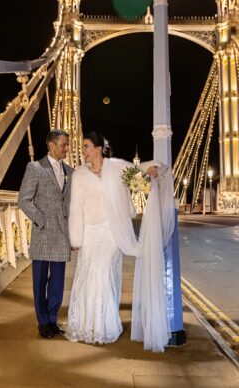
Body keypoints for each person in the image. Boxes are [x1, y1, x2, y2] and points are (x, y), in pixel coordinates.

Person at [67, 132, 175, 351]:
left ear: (98, 148)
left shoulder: (116, 168)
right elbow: (75, 208)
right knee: (88, 275)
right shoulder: (79, 175)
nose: (84, 151)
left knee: (106, 275)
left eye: (87, 147)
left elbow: (140, 181)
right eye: (83, 147)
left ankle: (104, 326)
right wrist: (76, 237)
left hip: (111, 231)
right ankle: (87, 326)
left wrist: (150, 171)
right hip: (90, 232)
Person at [18, 129, 74, 339]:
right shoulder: (35, 168)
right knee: (40, 281)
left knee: (58, 282)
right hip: (42, 234)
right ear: (51, 145)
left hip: (62, 235)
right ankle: (42, 322)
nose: (67, 148)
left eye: (68, 145)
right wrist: (42, 220)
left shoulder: (71, 171)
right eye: (63, 145)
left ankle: (52, 319)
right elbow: (24, 199)